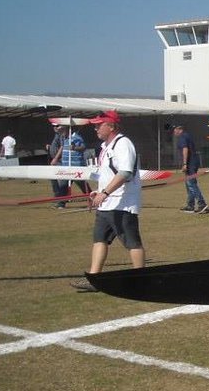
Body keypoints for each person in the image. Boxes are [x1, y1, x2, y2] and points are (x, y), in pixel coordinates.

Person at [71, 111, 145, 291]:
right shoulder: (106, 146)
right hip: (107, 204)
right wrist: (98, 191)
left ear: (111, 126)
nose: (95, 128)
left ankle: (141, 279)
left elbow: (125, 173)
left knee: (132, 242)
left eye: (99, 125)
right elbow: (109, 174)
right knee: (100, 239)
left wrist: (104, 193)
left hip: (123, 203)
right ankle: (94, 279)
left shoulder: (123, 144)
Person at [174, 123, 208, 213]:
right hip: (193, 162)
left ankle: (202, 203)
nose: (174, 132)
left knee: (191, 183)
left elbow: (185, 149)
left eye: (175, 129)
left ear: (179, 129)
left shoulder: (182, 137)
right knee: (189, 184)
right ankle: (190, 205)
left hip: (190, 163)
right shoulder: (187, 136)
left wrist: (185, 163)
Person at [51, 124, 91, 197]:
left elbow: (83, 147)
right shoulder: (64, 138)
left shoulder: (76, 137)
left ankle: (92, 197)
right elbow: (62, 146)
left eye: (62, 131)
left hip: (76, 167)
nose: (62, 133)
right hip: (66, 167)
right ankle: (61, 202)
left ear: (67, 129)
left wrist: (74, 148)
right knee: (63, 185)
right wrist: (56, 158)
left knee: (82, 184)